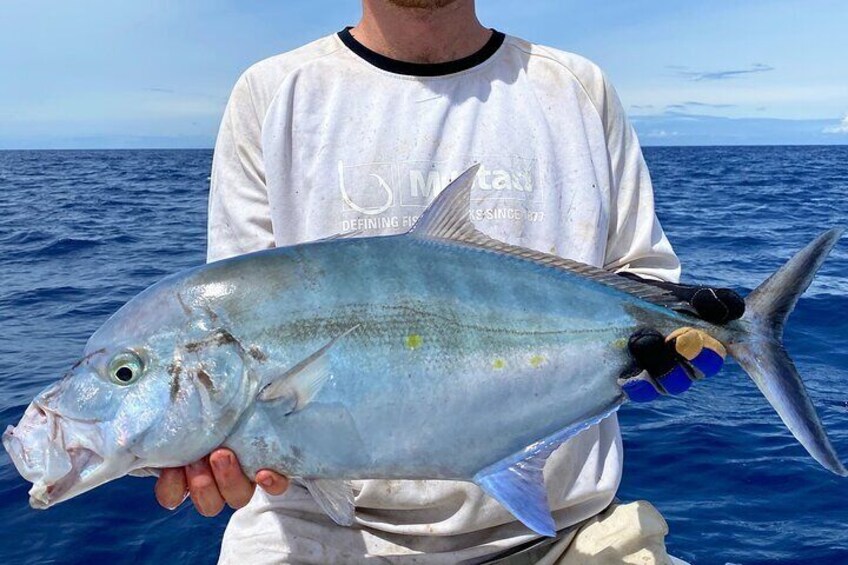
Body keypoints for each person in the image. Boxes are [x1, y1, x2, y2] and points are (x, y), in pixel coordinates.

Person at [155, 1, 743, 562]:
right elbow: (237, 329)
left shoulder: (576, 87)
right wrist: (209, 443)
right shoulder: (274, 93)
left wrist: (663, 337)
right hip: (312, 531)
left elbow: (643, 280)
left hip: (568, 531)